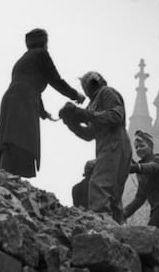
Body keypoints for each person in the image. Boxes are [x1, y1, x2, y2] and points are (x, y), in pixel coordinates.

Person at [0, 28, 84, 177]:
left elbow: (30, 82)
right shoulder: (41, 54)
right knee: (18, 139)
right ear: (43, 42)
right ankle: (7, 176)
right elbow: (55, 80)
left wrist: (43, 112)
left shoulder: (24, 58)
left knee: (10, 137)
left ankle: (5, 174)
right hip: (24, 100)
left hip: (14, 98)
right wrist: (75, 95)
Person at [60, 72, 132, 223]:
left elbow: (116, 116)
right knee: (113, 194)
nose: (86, 87)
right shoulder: (93, 104)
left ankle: (101, 222)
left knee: (99, 184)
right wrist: (71, 123)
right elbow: (88, 134)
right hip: (109, 146)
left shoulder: (107, 92)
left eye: (86, 83)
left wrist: (85, 114)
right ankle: (118, 227)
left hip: (114, 143)